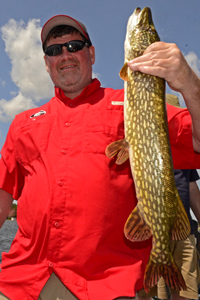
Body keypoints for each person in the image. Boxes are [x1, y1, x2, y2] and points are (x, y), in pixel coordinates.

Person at [0, 14, 200, 300]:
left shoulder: (131, 105)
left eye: (74, 45)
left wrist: (188, 83)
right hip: (22, 283)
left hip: (108, 287)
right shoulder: (22, 123)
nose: (65, 55)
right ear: (46, 63)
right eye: (54, 50)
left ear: (91, 53)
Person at [155, 170, 200, 300]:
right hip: (151, 233)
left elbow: (191, 186)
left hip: (184, 232)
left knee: (185, 292)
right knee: (148, 292)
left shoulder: (183, 150)